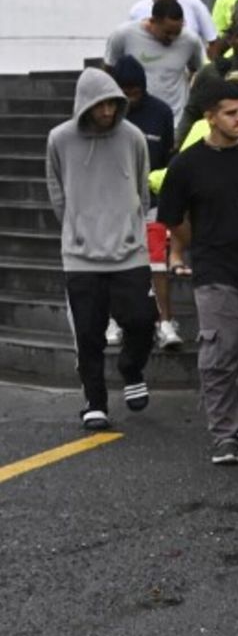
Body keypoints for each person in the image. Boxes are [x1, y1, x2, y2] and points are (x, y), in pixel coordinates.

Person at [157, 78, 238, 465]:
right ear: (210, 117)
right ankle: (224, 434)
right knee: (219, 350)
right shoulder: (186, 164)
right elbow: (174, 220)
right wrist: (200, 245)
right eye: (230, 113)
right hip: (214, 269)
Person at [47, 67, 156, 431]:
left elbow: (141, 187)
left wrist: (129, 225)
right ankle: (95, 401)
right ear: (85, 105)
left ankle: (130, 367)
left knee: (142, 319)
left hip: (128, 249)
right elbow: (57, 190)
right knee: (88, 332)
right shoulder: (59, 139)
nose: (107, 111)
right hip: (80, 254)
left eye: (113, 104)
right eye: (100, 105)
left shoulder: (133, 136)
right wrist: (77, 227)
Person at [112, 57, 184, 352]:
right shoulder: (108, 114)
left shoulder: (161, 112)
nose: (130, 97)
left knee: (157, 261)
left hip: (152, 200)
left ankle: (165, 322)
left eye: (135, 91)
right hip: (114, 203)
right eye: (125, 91)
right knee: (115, 263)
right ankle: (114, 319)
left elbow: (168, 156)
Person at [103, 0, 204, 127]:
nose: (172, 38)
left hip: (175, 119)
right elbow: (108, 71)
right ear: (152, 21)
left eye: (177, 33)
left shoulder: (191, 41)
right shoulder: (123, 35)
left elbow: (199, 71)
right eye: (167, 33)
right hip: (133, 117)